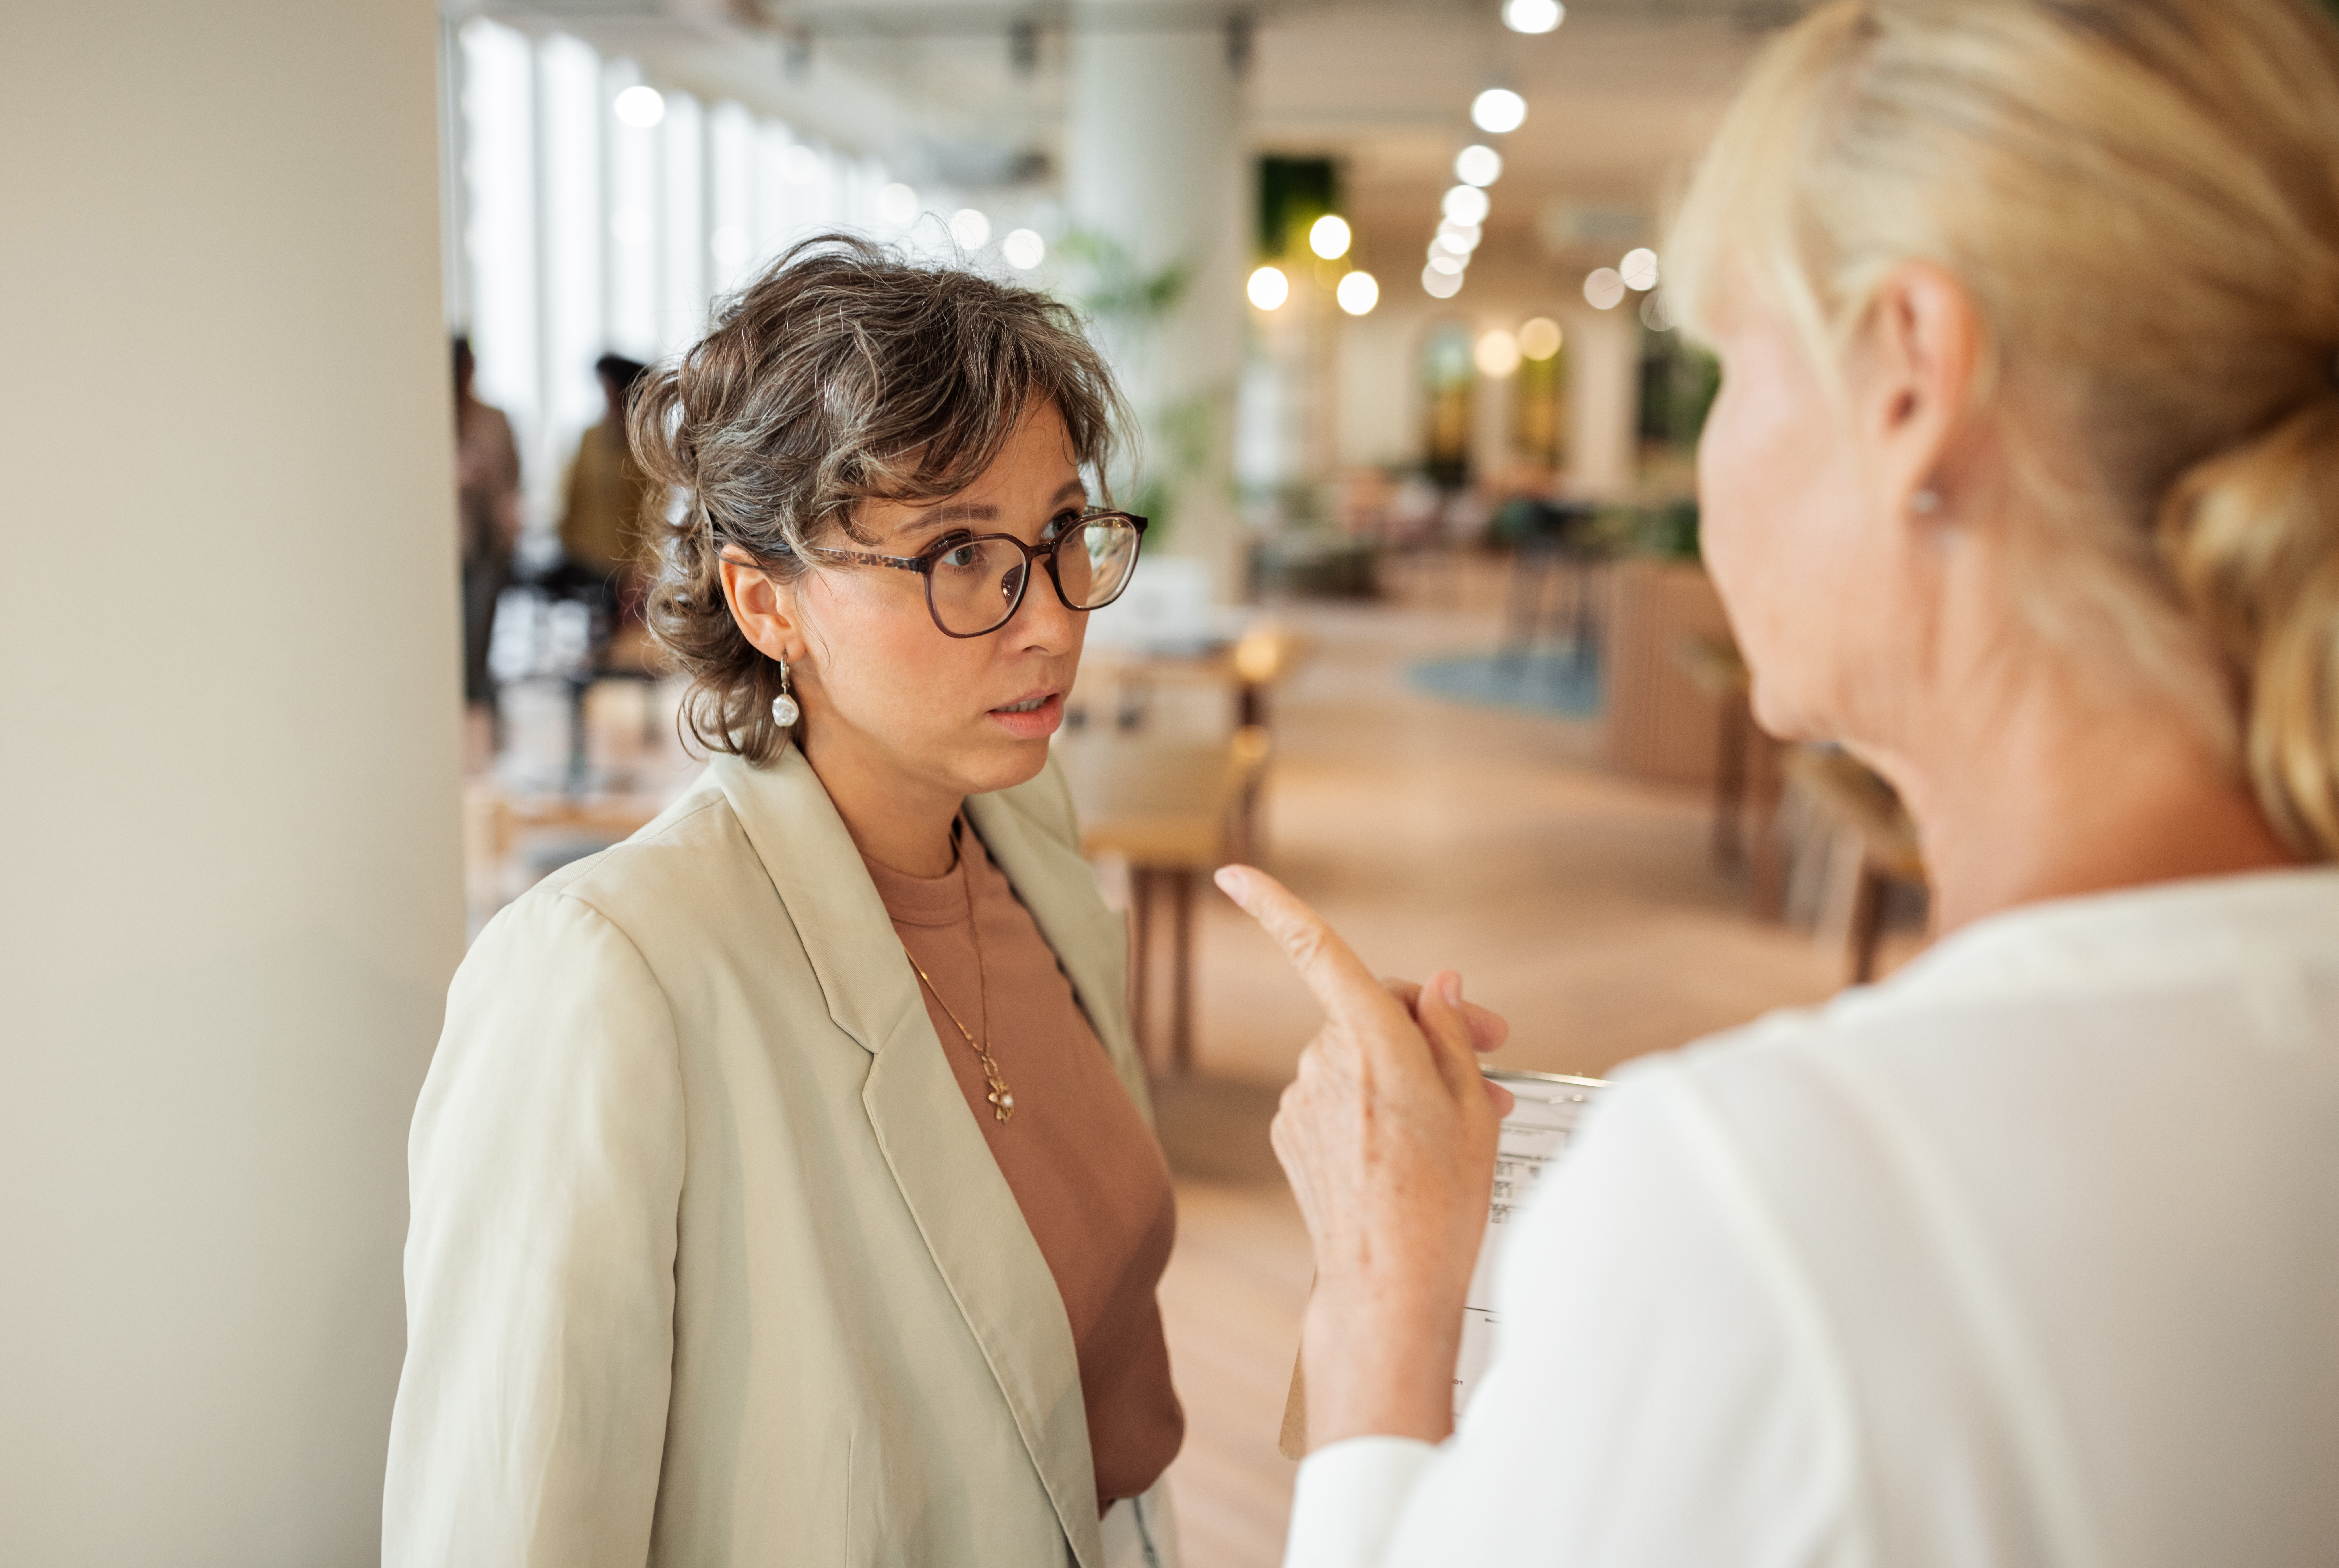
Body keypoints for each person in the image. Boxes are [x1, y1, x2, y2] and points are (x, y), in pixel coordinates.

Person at [1229, 2, 2339, 1565]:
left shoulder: (1780, 1201)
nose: (1710, 454)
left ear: (1908, 380)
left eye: (1732, 362)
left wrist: (1380, 1306)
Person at [385, 240, 1184, 1567]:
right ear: (767, 602)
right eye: (958, 553)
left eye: (1056, 537)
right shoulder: (610, 974)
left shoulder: (1020, 829)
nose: (1046, 620)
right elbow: (510, 1524)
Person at [453, 336, 522, 713]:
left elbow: (513, 474)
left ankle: (476, 685)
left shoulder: (494, 418)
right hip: (453, 537)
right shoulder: (432, 415)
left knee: (482, 612)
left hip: (489, 533)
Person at [556, 352, 650, 625]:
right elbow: (572, 495)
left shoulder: (644, 448)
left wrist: (641, 571)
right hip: (583, 561)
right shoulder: (590, 438)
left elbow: (652, 515)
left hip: (624, 571)